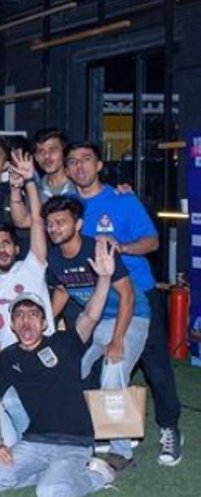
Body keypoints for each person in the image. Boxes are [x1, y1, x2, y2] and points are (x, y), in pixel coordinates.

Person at [64, 141, 183, 466]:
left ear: (99, 165)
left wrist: (123, 248)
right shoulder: (67, 206)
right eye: (72, 161)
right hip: (95, 298)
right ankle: (101, 429)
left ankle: (170, 428)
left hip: (138, 293)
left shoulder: (122, 200)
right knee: (89, 364)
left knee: (155, 365)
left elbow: (153, 241)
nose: (79, 167)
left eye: (86, 160)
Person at [0, 243, 119, 497]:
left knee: (50, 494)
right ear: (12, 324)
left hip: (74, 442)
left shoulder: (63, 343)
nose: (26, 321)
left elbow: (90, 316)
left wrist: (104, 278)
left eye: (33, 315)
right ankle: (52, 474)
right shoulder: (10, 356)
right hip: (35, 441)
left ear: (44, 322)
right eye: (19, 315)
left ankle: (98, 476)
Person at [42, 195, 150, 472]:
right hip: (95, 319)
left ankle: (121, 451)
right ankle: (70, 434)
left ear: (78, 224)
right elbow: (63, 290)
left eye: (61, 222)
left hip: (132, 316)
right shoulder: (53, 257)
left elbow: (127, 296)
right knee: (68, 368)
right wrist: (44, 324)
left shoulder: (98, 250)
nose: (54, 228)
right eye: (50, 223)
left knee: (113, 369)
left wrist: (116, 341)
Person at [0, 149, 55, 353]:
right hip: (9, 359)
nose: (2, 249)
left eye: (6, 243)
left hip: (42, 352)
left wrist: (27, 182)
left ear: (16, 248)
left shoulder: (32, 266)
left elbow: (37, 220)